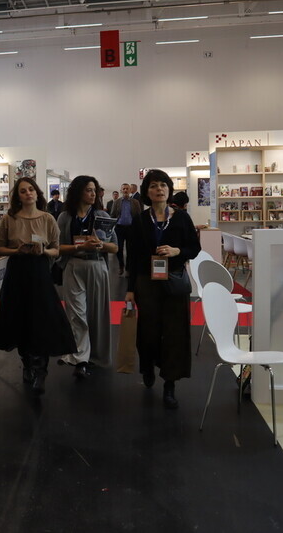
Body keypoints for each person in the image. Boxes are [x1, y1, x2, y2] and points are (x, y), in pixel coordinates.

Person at [124, 169, 201, 410]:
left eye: (164, 185)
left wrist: (178, 251)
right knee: (147, 332)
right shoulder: (139, 221)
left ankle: (170, 384)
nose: (160, 189)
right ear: (147, 192)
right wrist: (129, 289)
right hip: (146, 283)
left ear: (169, 190)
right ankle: (147, 366)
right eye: (154, 186)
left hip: (174, 282)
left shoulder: (181, 218)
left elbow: (194, 248)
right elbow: (133, 258)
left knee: (175, 333)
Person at [0, 177, 76, 394]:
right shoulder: (9, 219)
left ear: (37, 193)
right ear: (17, 196)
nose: (28, 193)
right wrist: (17, 251)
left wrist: (43, 251)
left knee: (42, 318)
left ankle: (41, 369)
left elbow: (56, 250)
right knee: (20, 317)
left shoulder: (48, 219)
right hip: (17, 273)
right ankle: (27, 363)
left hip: (39, 273)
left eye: (31, 189)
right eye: (23, 191)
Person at [55, 175, 118, 378]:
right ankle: (80, 357)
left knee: (97, 314)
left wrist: (100, 245)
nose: (93, 194)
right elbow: (57, 248)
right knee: (77, 314)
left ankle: (95, 355)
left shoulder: (102, 215)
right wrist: (79, 246)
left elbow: (114, 247)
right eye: (89, 190)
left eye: (95, 190)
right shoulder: (65, 217)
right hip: (73, 266)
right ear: (78, 191)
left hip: (97, 266)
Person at [111, 183, 142, 276]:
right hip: (119, 228)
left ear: (130, 190)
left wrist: (138, 228)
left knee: (130, 249)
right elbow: (112, 214)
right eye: (123, 189)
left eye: (127, 189)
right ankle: (121, 265)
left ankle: (128, 267)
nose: (125, 190)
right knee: (119, 248)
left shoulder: (135, 202)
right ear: (121, 190)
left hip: (131, 228)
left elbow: (138, 216)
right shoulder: (116, 202)